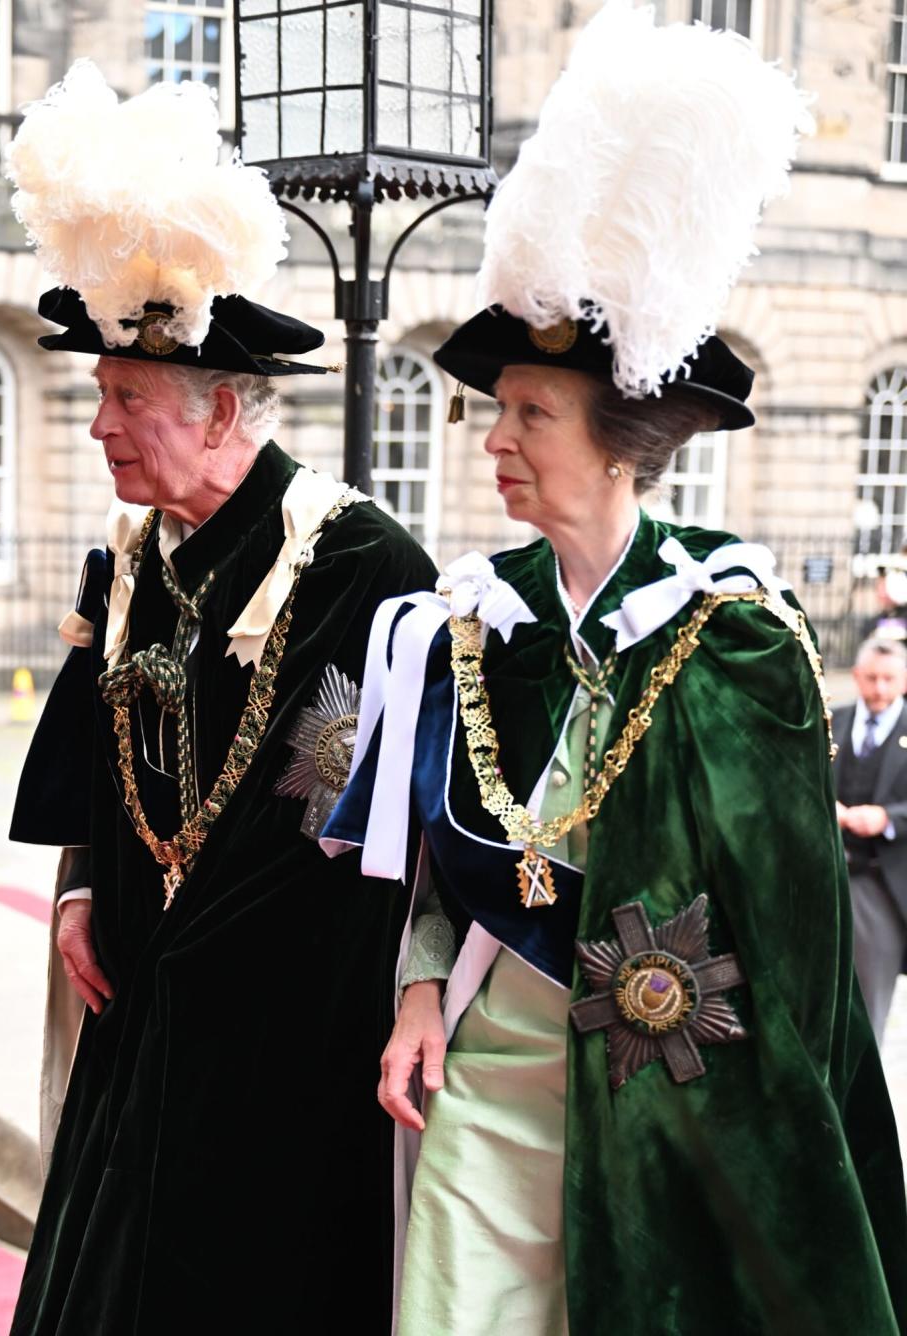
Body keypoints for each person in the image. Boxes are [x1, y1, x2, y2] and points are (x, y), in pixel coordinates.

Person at [322, 5, 907, 1333]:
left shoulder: (735, 635)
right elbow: (432, 865)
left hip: (662, 1107)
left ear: (622, 444)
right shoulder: (470, 623)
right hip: (488, 1082)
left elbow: (794, 960)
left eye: (529, 415)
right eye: (497, 413)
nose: (495, 444)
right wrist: (419, 995)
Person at [4, 64, 435, 1334]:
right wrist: (83, 883)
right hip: (140, 1007)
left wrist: (186, 963)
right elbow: (96, 742)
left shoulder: (356, 562)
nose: (100, 428)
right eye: (101, 397)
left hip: (275, 1036)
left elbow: (325, 796)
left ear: (226, 409)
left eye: (124, 401)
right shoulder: (134, 556)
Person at [834, 637, 907, 1041]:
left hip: (881, 885)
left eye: (889, 679)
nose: (879, 688)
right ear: (858, 677)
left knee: (868, 1003)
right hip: (825, 877)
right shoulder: (830, 721)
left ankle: (861, 1095)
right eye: (872, 678)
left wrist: (887, 817)